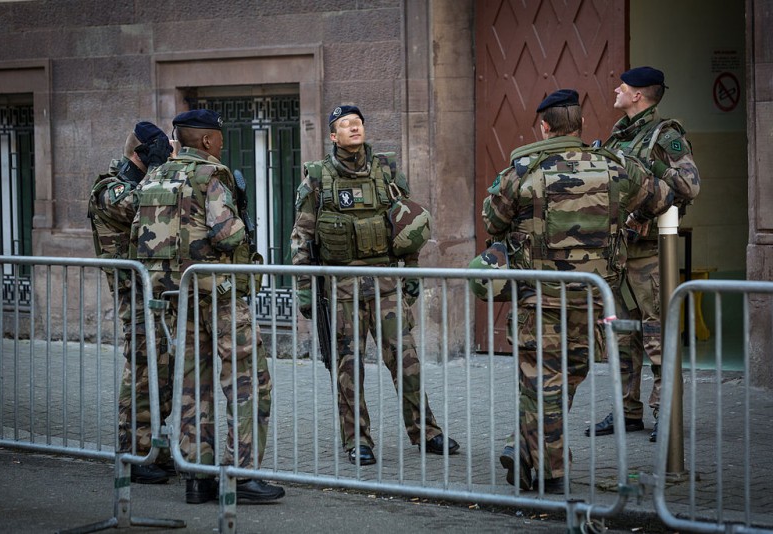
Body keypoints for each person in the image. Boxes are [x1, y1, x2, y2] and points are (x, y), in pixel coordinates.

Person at [481, 89, 674, 493]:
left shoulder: (523, 169)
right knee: (565, 379)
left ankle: (534, 459)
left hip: (539, 299)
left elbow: (493, 222)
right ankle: (544, 464)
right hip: (591, 296)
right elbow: (660, 197)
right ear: (580, 126)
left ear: (545, 126)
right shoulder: (615, 167)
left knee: (542, 383)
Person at [290, 104, 459, 466]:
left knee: (407, 359)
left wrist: (410, 272)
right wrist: (305, 288)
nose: (354, 128)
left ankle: (426, 432)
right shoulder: (317, 177)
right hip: (340, 288)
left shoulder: (387, 170)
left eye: (358, 123)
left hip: (385, 284)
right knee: (348, 368)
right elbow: (301, 235)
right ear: (333, 136)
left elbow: (408, 225)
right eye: (344, 125)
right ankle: (357, 440)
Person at [131, 109, 284, 504]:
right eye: (217, 138)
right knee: (249, 381)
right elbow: (228, 233)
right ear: (205, 141)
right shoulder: (209, 175)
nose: (220, 145)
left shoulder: (154, 176)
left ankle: (198, 478)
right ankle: (240, 475)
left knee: (191, 387)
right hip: (219, 296)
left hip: (175, 298)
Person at [586, 67, 701, 443]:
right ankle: (627, 412)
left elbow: (689, 186)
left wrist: (646, 167)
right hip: (620, 250)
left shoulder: (665, 135)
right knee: (621, 335)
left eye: (624, 85)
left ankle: (664, 412)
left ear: (638, 95)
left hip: (649, 251)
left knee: (656, 333)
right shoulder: (622, 133)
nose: (616, 88)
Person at [88, 121, 174, 484]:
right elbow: (145, 208)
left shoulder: (138, 181)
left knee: (162, 371)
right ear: (142, 154)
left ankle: (153, 445)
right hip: (134, 295)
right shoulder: (109, 189)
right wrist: (158, 169)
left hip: (155, 293)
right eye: (161, 151)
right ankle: (133, 451)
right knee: (141, 369)